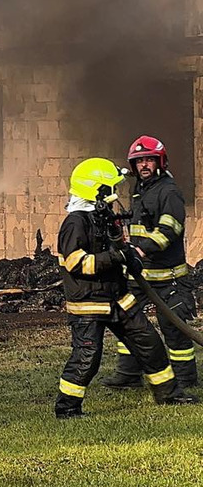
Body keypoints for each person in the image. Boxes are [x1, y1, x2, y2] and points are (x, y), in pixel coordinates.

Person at [54, 157, 196, 419]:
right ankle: (68, 408)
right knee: (87, 357)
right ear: (96, 190)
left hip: (117, 296)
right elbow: (75, 263)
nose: (115, 194)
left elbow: (118, 248)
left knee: (149, 343)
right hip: (89, 303)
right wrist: (115, 258)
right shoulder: (75, 223)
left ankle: (169, 393)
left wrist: (129, 255)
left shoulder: (102, 216)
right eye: (110, 189)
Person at [101, 136, 198, 388]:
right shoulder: (140, 190)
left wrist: (141, 249)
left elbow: (170, 228)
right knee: (128, 324)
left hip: (169, 278)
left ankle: (186, 381)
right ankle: (128, 375)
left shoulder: (169, 191)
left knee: (174, 328)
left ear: (160, 162)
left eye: (149, 160)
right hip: (139, 276)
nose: (144, 165)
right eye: (140, 161)